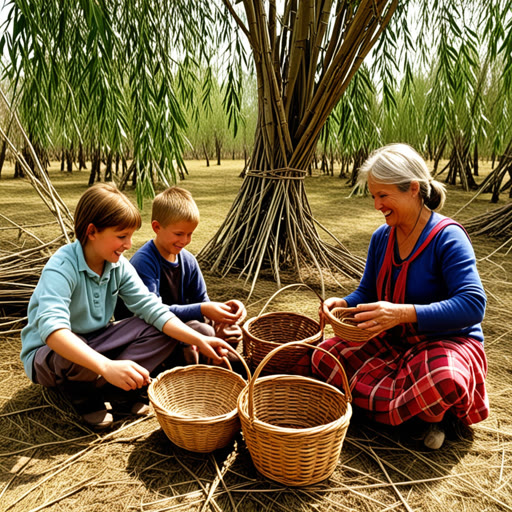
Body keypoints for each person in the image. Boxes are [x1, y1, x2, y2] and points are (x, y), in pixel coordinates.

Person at [313, 143, 489, 450]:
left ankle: (432, 415)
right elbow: (367, 292)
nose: (377, 205)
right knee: (325, 357)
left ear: (413, 189)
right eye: (373, 196)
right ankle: (417, 415)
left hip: (447, 343)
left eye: (383, 196)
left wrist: (403, 313)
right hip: (395, 341)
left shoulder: (448, 237)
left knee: (443, 377)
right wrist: (342, 303)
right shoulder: (382, 237)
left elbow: (473, 305)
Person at [21, 183, 234, 430]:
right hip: (51, 355)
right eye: (121, 236)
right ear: (92, 231)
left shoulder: (117, 265)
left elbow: (152, 309)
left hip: (96, 341)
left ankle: (116, 389)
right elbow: (53, 332)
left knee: (160, 328)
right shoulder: (62, 267)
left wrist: (199, 339)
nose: (128, 244)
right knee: (71, 346)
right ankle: (82, 392)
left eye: (130, 236)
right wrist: (107, 366)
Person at [121, 186, 246, 367]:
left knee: (225, 331)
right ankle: (191, 376)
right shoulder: (144, 262)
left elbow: (201, 300)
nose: (185, 240)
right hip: (147, 332)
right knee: (203, 330)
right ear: (157, 227)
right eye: (179, 234)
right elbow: (153, 313)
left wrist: (222, 318)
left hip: (181, 327)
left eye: (190, 234)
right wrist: (203, 310)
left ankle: (214, 366)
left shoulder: (188, 261)